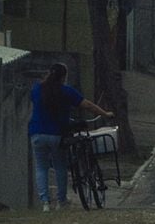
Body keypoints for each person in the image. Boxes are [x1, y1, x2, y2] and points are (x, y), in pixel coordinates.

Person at [28, 63, 114, 212]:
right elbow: (87, 105)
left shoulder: (37, 89)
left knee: (41, 167)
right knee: (60, 166)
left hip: (37, 134)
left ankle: (45, 203)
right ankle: (61, 201)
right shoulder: (66, 91)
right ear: (64, 77)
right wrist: (105, 113)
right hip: (57, 135)